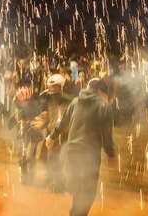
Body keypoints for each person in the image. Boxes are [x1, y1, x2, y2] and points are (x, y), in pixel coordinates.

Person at [46, 78, 115, 216]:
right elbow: (106, 135)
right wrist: (110, 154)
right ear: (101, 91)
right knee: (87, 194)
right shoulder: (104, 106)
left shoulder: (75, 102)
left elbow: (62, 123)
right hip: (88, 156)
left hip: (71, 154)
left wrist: (51, 137)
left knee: (79, 193)